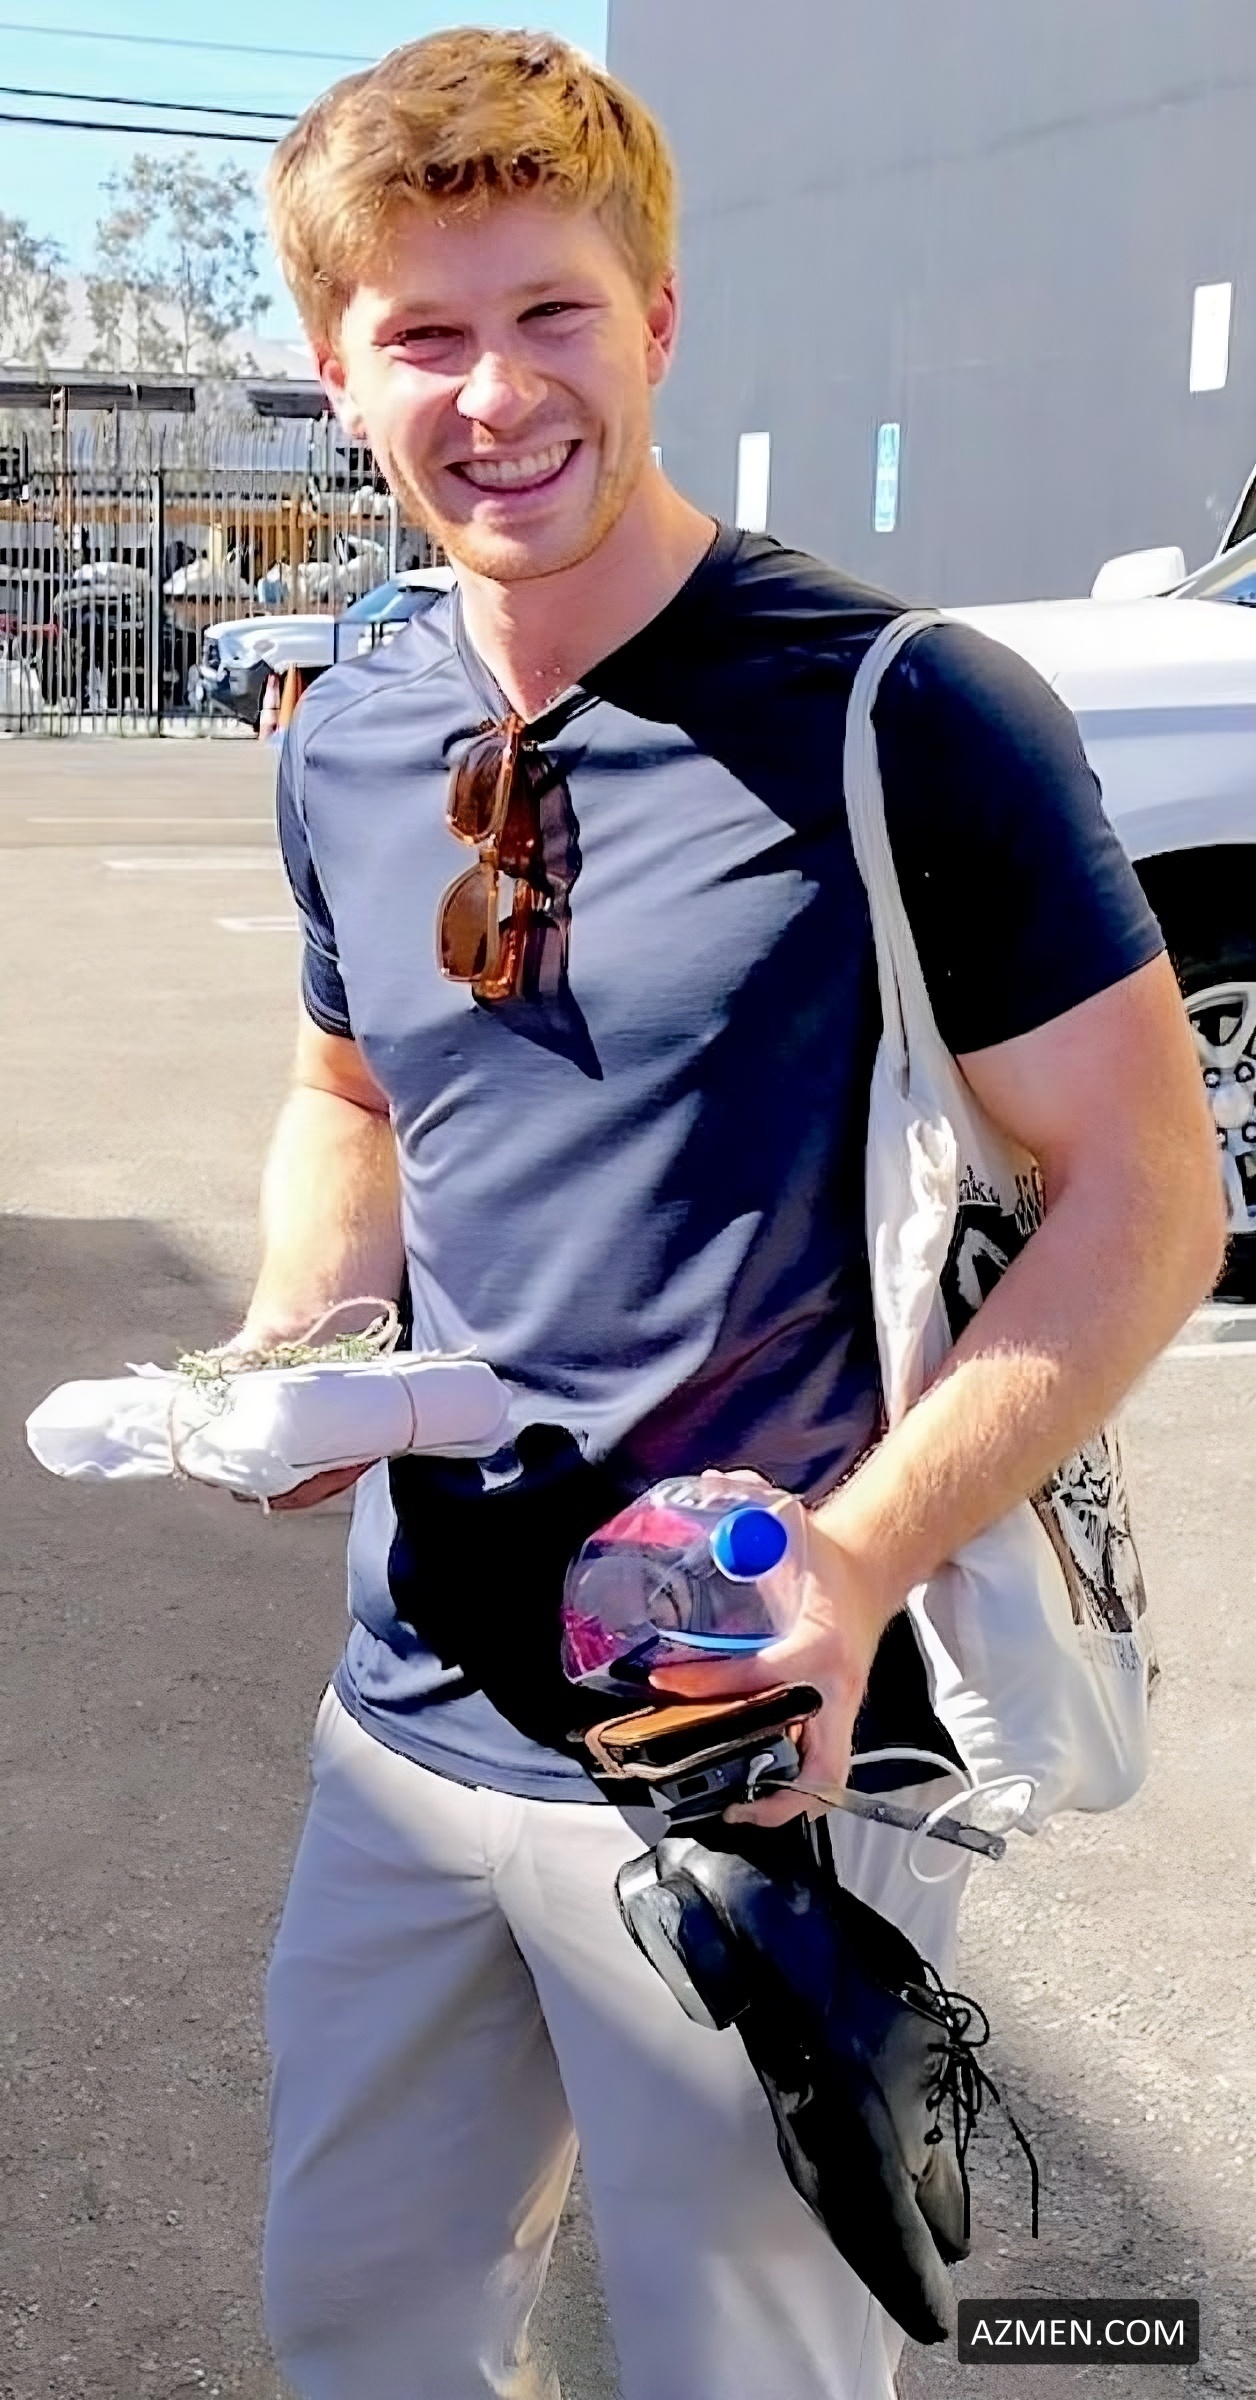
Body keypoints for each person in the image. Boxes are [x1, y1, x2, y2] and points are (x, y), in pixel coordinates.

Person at [250, 30, 1223, 2400]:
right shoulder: (351, 727)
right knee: (357, 2327)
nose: (496, 393)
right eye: (423, 334)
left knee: (744, 2373)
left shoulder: (906, 715)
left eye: (550, 314)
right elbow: (347, 1094)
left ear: (660, 320)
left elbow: (1144, 1197)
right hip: (412, 1718)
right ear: (336, 373)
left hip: (760, 1746)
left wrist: (857, 1567)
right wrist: (299, 1332)